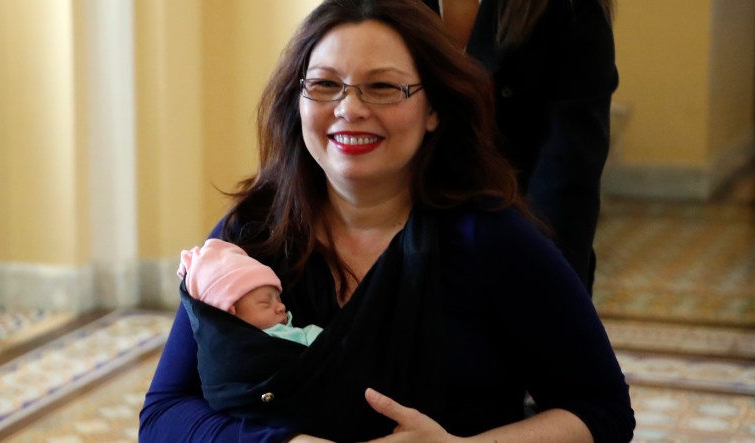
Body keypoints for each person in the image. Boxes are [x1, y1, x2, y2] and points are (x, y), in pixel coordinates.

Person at [139, 0, 635, 441]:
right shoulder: (249, 236)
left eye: (382, 87)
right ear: (297, 98)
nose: (349, 109)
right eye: (325, 85)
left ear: (434, 110)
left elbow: (603, 411)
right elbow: (163, 414)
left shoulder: (493, 239)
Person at [423, 0, 618, 294]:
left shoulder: (572, 9)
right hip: (390, 252)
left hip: (506, 257)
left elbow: (565, 183)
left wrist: (548, 298)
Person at [178, 238, 323, 346]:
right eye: (265, 303)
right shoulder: (232, 348)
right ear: (232, 313)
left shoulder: (297, 334)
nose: (281, 307)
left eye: (279, 300)